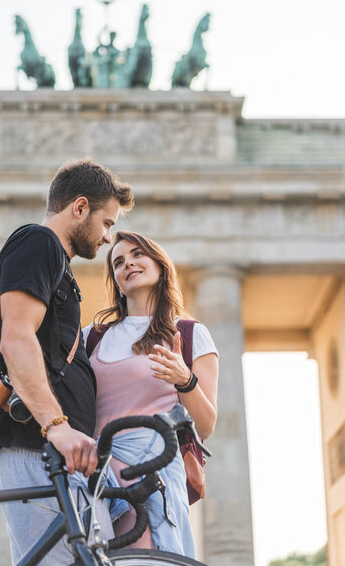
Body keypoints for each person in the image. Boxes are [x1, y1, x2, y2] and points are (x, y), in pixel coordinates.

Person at [0, 157, 134, 565]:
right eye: (107, 223)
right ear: (80, 207)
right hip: (41, 450)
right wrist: (57, 427)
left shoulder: (55, 261)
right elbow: (16, 339)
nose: (108, 238)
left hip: (61, 456)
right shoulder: (39, 243)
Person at [83, 231, 219, 558]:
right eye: (118, 262)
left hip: (150, 471)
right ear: (115, 280)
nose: (128, 263)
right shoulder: (91, 337)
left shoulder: (189, 333)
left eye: (137, 254)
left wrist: (184, 380)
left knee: (146, 557)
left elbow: (205, 426)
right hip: (95, 474)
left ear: (160, 265)